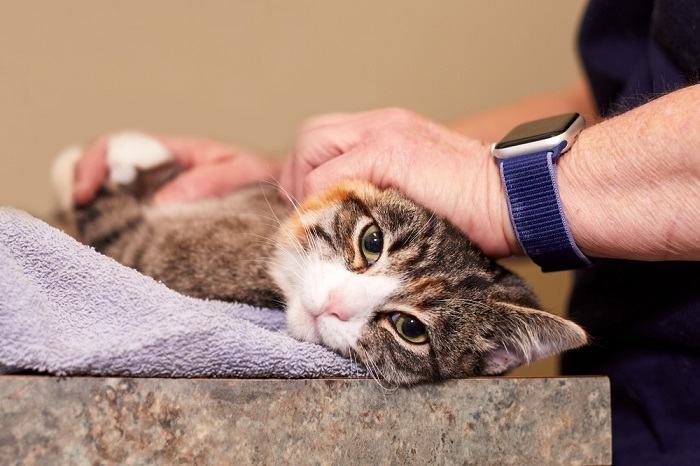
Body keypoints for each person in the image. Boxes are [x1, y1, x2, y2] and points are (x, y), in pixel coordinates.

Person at [72, 1, 699, 463]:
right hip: (631, 409)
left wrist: (504, 190)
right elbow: (618, 97)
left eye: (407, 325)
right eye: (372, 247)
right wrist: (310, 176)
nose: (339, 304)